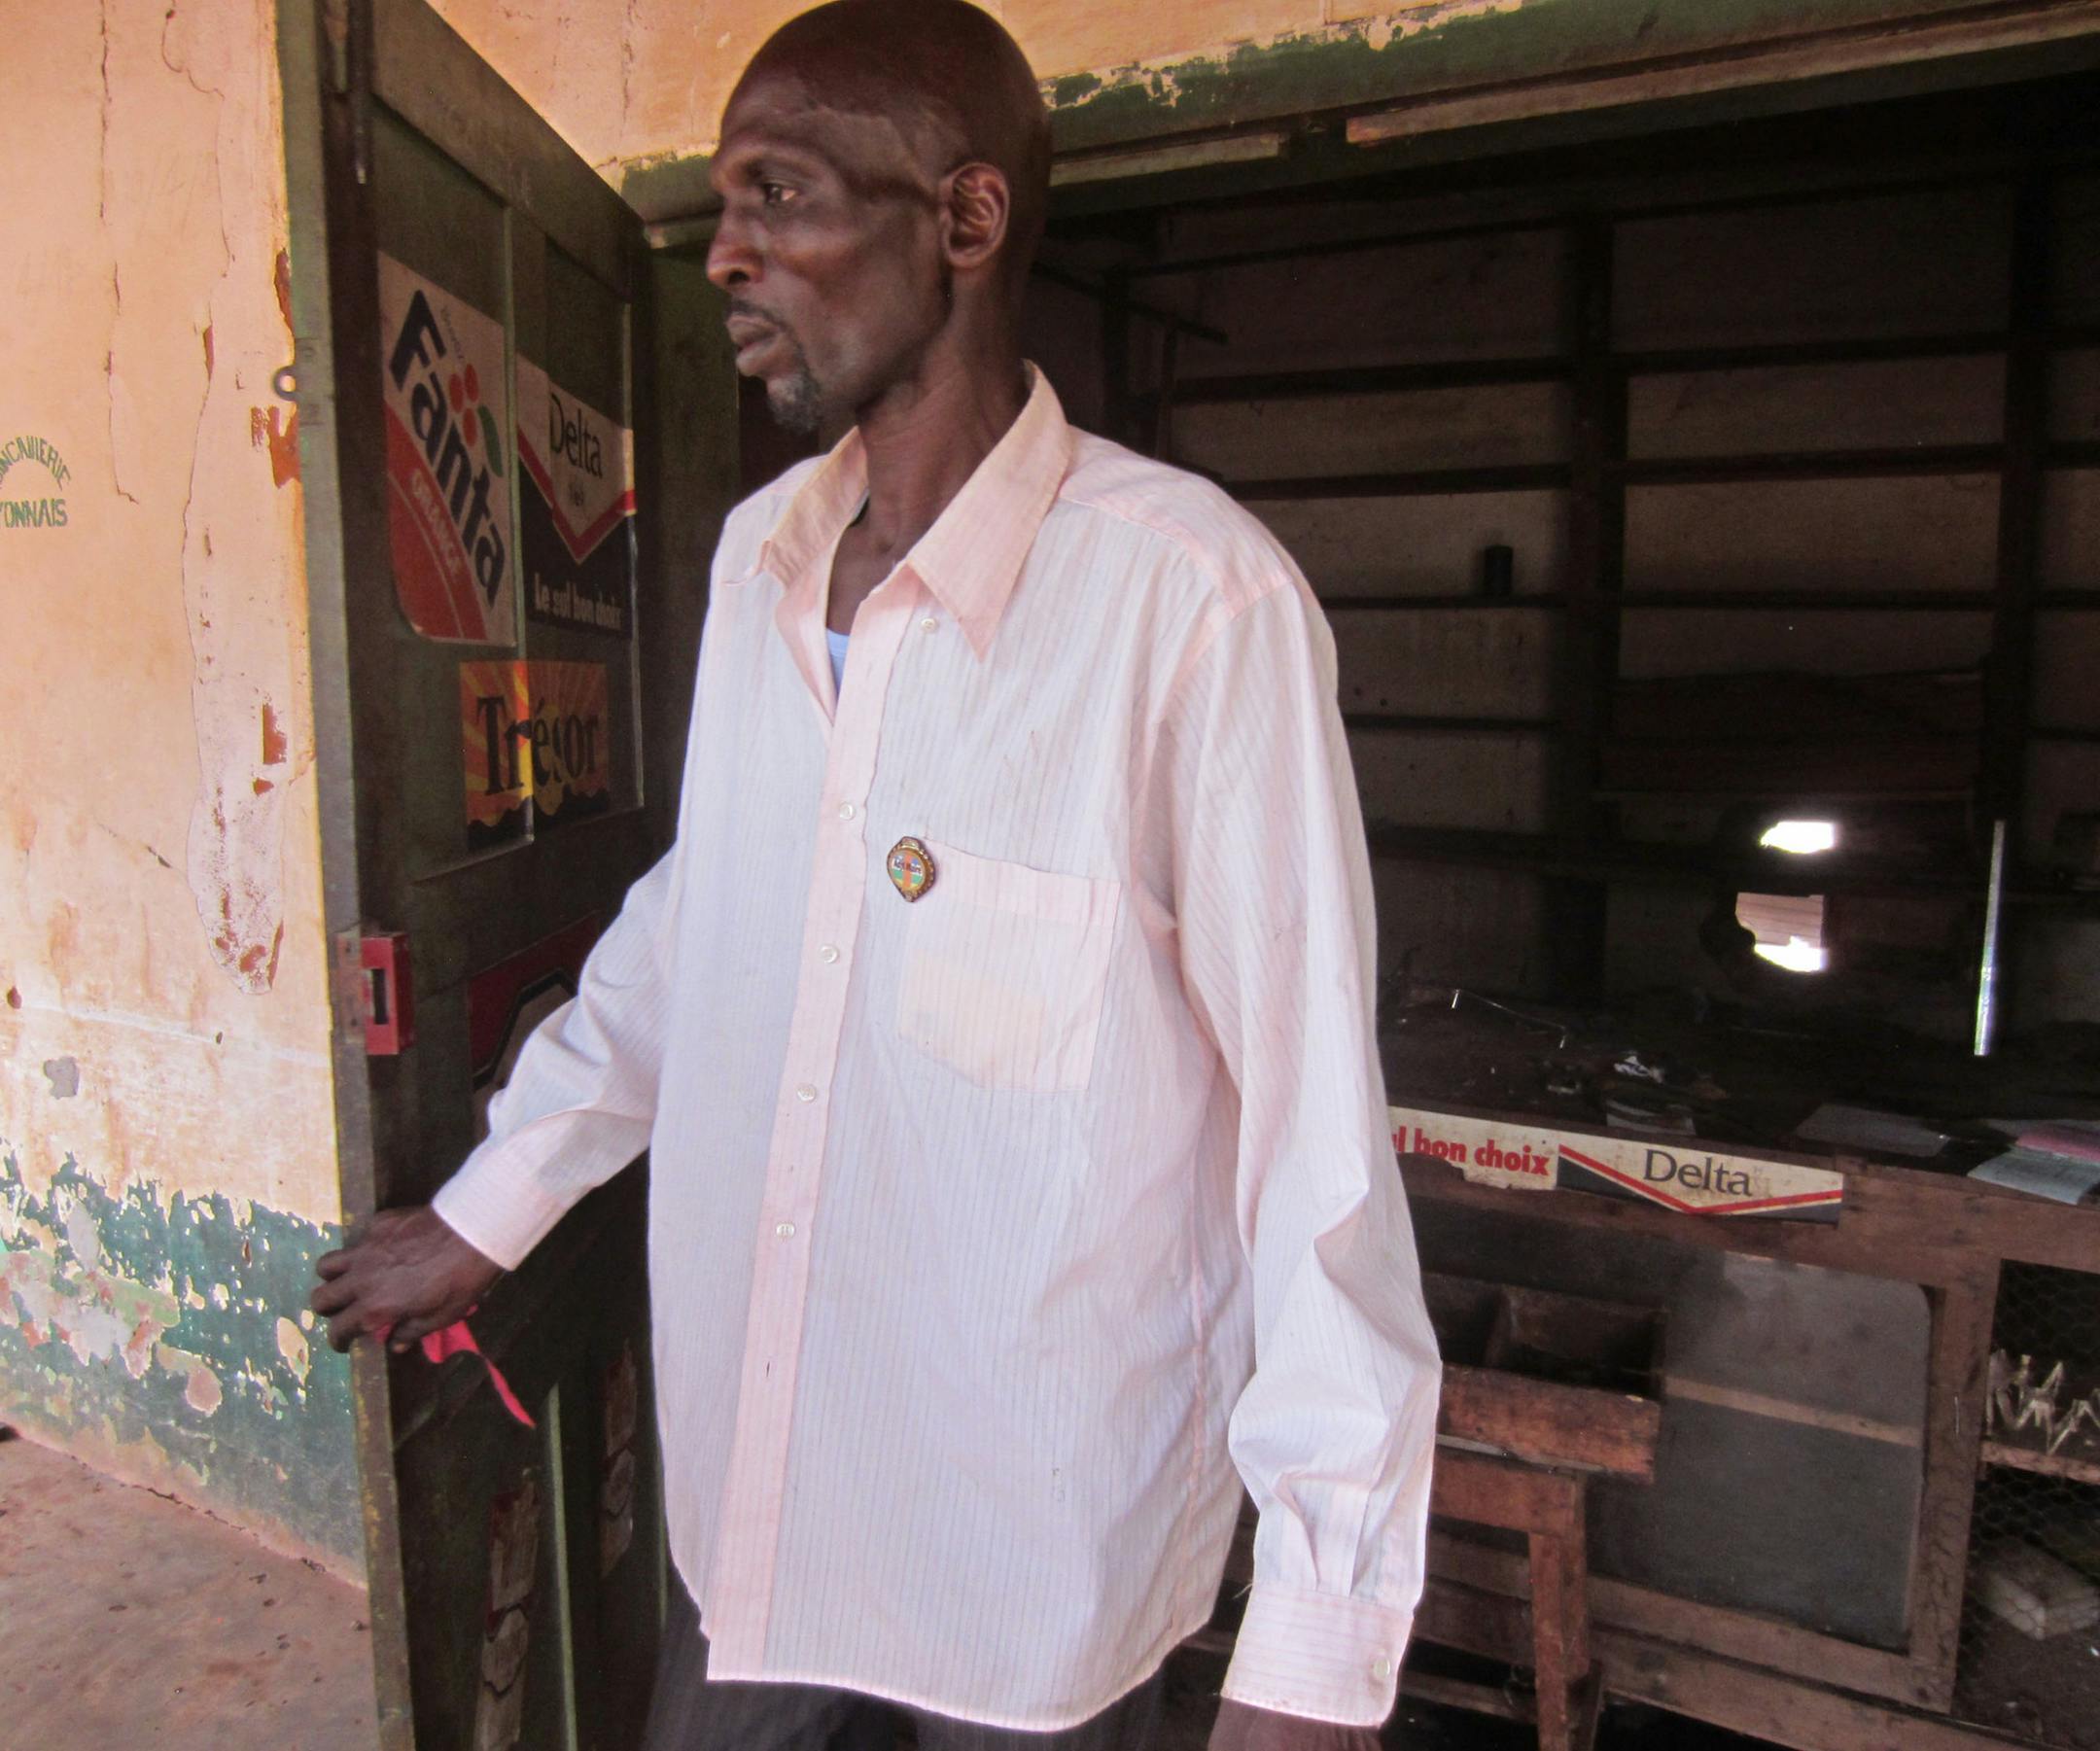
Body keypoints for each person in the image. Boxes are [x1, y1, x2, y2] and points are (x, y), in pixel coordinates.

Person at [310, 3, 1440, 1747]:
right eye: (721, 203)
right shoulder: (767, 556)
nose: (727, 255)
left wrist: (1317, 1645)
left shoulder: (1190, 604)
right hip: (764, 1513)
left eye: (781, 195)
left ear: (965, 224)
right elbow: (710, 917)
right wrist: (490, 1208)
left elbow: (1315, 1149)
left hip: (1034, 1566)